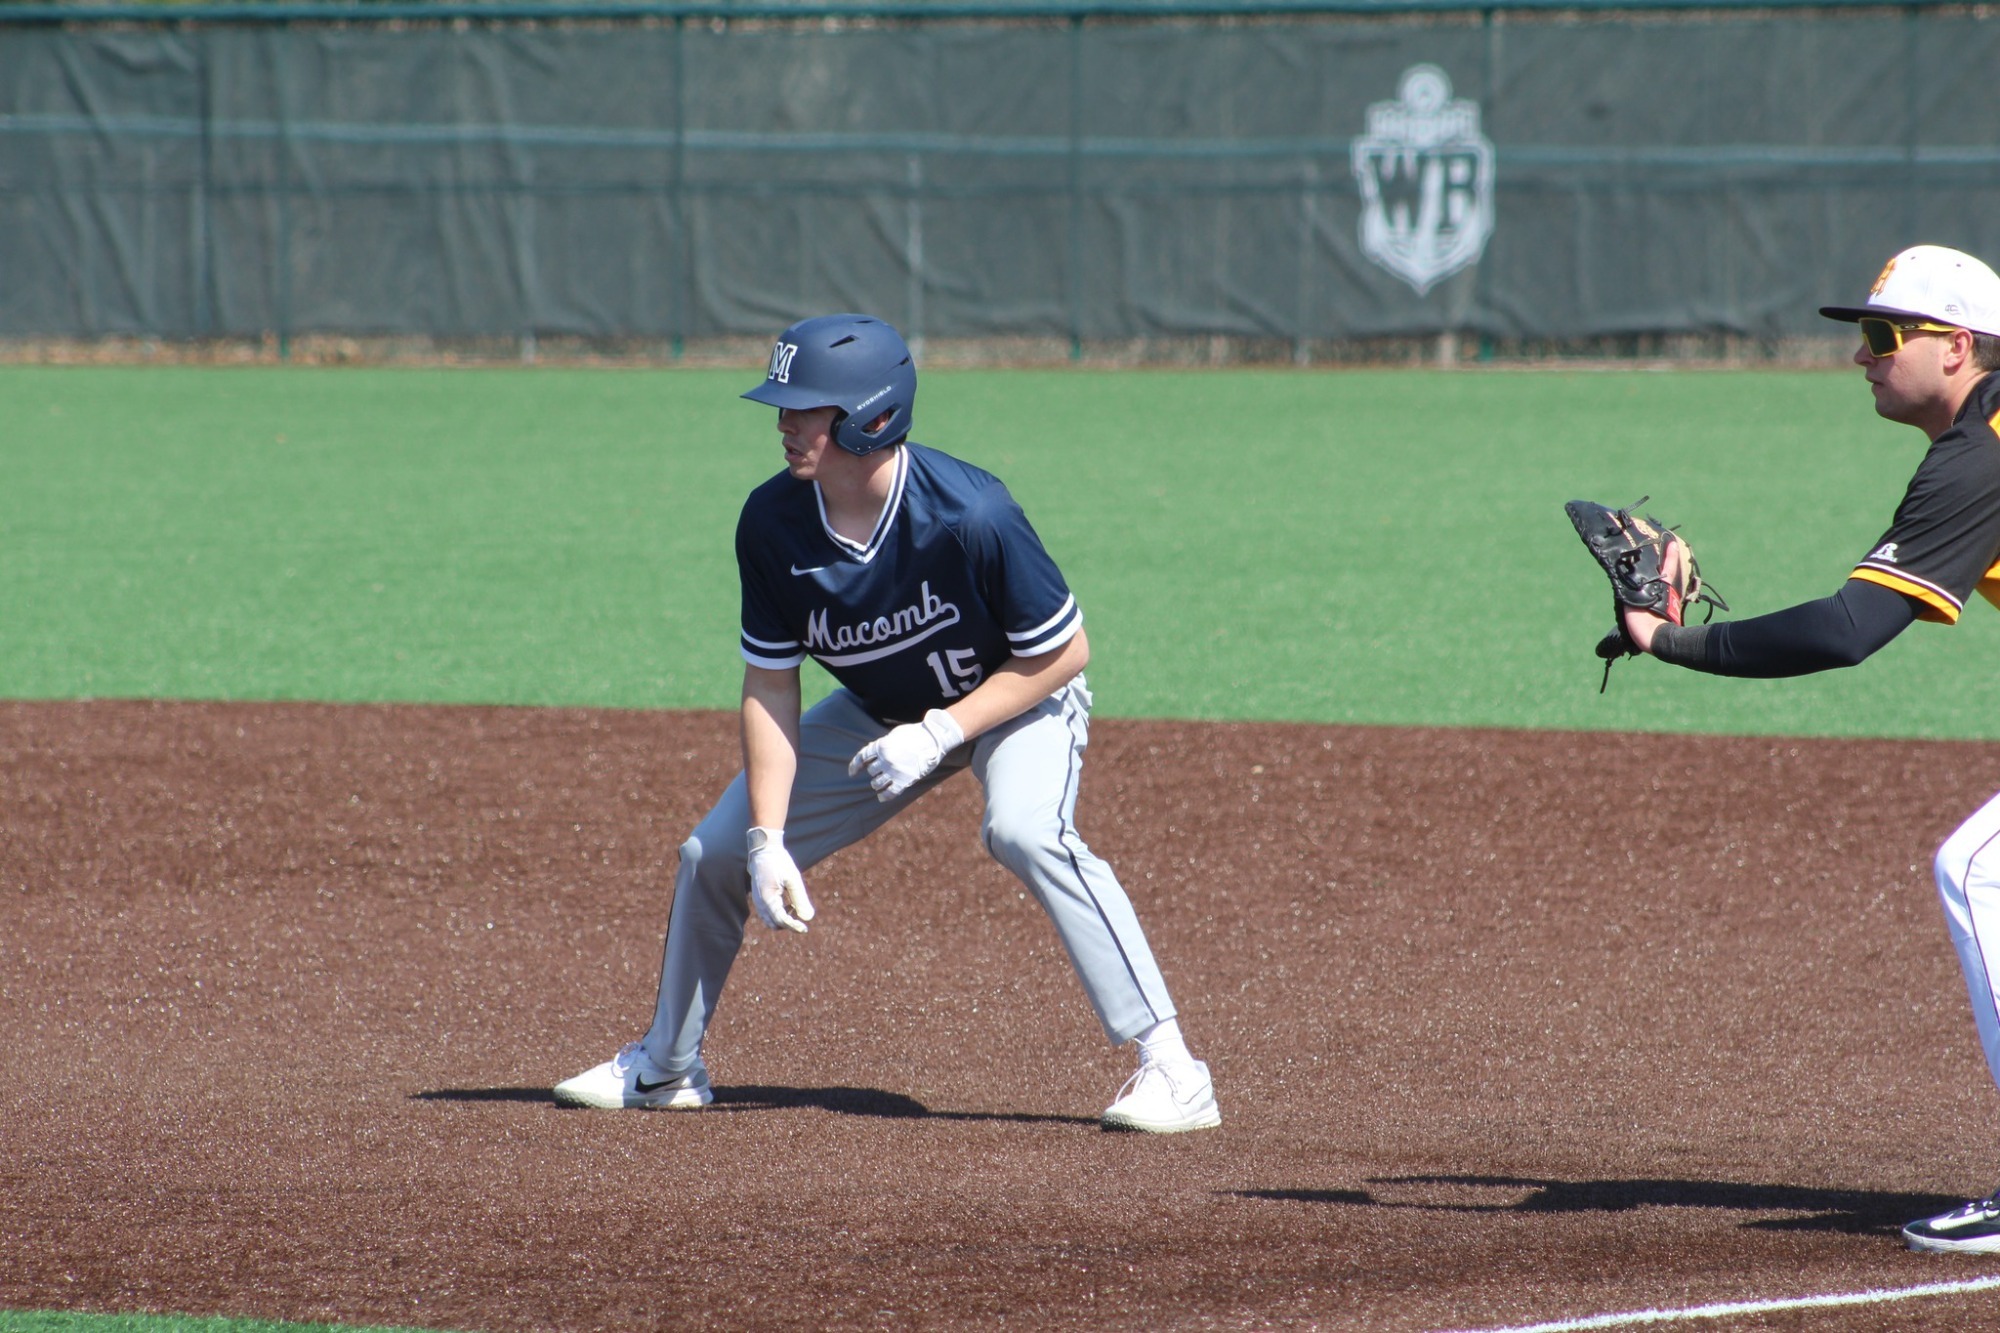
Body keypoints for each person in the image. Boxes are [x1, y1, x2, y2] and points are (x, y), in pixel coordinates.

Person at [555, 313, 1220, 1133]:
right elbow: (771, 684)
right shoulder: (771, 523)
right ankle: (666, 1066)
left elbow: (1064, 651)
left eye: (806, 406)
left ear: (871, 416)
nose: (784, 421)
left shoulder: (972, 513)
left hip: (1015, 697)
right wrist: (766, 839)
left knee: (1024, 828)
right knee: (715, 851)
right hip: (880, 711)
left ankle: (1175, 1069)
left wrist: (944, 732)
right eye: (783, 403)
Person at [1617, 244, 2000, 1252]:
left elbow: (1845, 630)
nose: (1860, 356)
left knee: (1975, 871)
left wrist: (1668, 638)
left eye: (1882, 335)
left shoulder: (1979, 452)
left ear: (1956, 345)